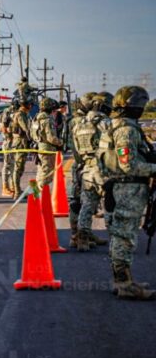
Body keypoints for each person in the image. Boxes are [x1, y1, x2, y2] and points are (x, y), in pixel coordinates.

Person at [98, 86, 154, 300]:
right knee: (125, 237)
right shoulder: (126, 130)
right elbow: (129, 165)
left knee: (120, 235)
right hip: (127, 189)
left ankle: (123, 280)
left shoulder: (112, 126)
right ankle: (124, 284)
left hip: (117, 186)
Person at [72, 92, 113, 251]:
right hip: (103, 169)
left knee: (87, 205)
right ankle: (115, 240)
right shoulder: (106, 123)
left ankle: (82, 239)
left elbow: (75, 151)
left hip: (86, 169)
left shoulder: (79, 124)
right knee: (109, 205)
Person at [67, 92, 95, 249]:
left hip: (78, 164)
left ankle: (78, 235)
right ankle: (80, 236)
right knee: (86, 201)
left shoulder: (73, 120)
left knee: (76, 200)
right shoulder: (81, 121)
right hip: (85, 165)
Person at [33, 98, 63, 189]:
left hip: (39, 148)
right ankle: (42, 195)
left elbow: (31, 134)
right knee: (47, 174)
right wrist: (61, 143)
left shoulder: (36, 119)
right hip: (48, 150)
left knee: (40, 172)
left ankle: (36, 195)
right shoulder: (48, 120)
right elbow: (51, 138)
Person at [10, 97, 33, 199]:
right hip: (20, 143)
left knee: (20, 168)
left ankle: (16, 189)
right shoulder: (20, 115)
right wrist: (32, 139)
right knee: (18, 168)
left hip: (21, 142)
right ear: (26, 105)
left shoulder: (24, 114)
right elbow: (26, 129)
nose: (31, 106)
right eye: (30, 104)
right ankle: (17, 192)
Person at [0, 101, 18, 196]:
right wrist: (9, 133)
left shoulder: (9, 113)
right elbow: (2, 128)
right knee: (7, 166)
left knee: (12, 166)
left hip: (11, 142)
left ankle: (12, 187)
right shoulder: (7, 113)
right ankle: (5, 188)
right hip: (8, 142)